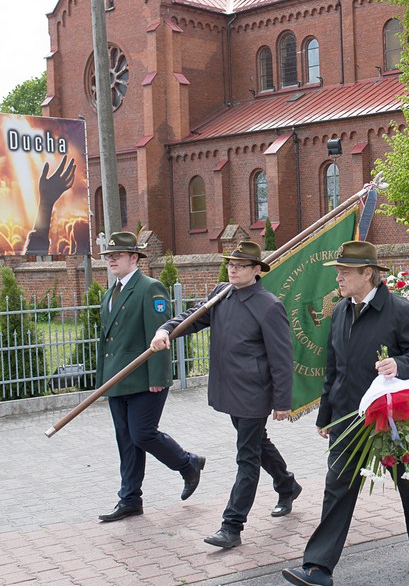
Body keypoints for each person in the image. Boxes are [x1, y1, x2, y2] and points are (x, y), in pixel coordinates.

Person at [282, 241, 409, 586]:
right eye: (337, 271)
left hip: (390, 418)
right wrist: (326, 415)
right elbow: (333, 368)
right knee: (337, 487)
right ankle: (319, 568)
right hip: (346, 417)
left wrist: (399, 364)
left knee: (408, 480)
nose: (337, 277)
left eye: (344, 272)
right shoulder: (339, 311)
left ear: (367, 274)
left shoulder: (399, 310)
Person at [151, 241, 298, 548]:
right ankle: (287, 485)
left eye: (241, 265)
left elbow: (282, 358)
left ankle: (232, 525)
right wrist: (166, 329)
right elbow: (194, 317)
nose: (233, 269)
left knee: (247, 456)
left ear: (257, 271)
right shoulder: (222, 292)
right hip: (229, 388)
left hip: (254, 393)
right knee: (256, 443)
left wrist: (283, 402)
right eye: (230, 264)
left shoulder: (269, 305)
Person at [95, 232, 205, 523]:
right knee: (126, 440)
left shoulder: (150, 288)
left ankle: (187, 463)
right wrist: (102, 379)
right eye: (108, 256)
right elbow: (107, 342)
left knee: (142, 433)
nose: (110, 260)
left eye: (116, 255)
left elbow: (160, 335)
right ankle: (130, 499)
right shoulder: (110, 293)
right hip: (117, 379)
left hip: (145, 379)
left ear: (134, 258)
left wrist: (159, 375)